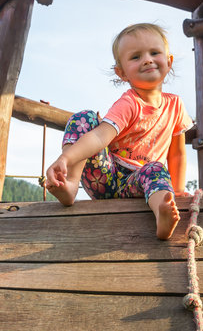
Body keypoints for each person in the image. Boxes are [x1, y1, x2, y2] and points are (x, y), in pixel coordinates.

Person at [45, 23, 193, 240]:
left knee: (155, 169)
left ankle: (162, 212)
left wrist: (178, 190)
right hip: (106, 177)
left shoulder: (176, 106)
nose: (147, 59)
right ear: (121, 72)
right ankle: (69, 185)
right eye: (136, 57)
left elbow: (177, 152)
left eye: (154, 52)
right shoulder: (129, 103)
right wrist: (66, 158)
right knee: (84, 117)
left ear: (168, 61)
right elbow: (99, 135)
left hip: (140, 185)